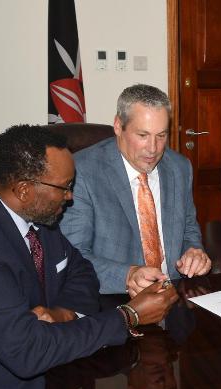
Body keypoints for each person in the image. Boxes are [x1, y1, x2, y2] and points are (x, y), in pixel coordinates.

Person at [0, 125, 178, 389]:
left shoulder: (34, 215)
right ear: (24, 189)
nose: (70, 197)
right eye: (65, 186)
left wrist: (63, 312)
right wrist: (127, 316)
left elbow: (80, 269)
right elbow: (27, 351)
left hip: (49, 384)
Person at [61, 84, 211, 295]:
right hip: (114, 301)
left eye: (161, 135)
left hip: (175, 294)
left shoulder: (179, 167)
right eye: (143, 135)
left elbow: (188, 229)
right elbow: (73, 256)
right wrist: (127, 275)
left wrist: (194, 252)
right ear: (118, 126)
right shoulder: (82, 172)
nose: (153, 148)